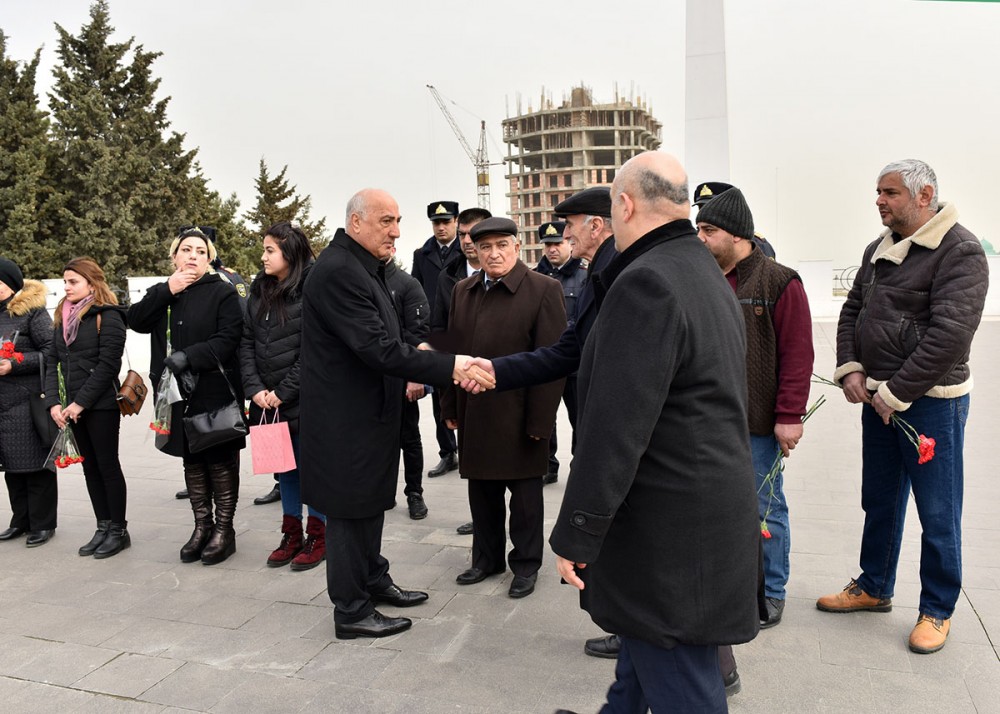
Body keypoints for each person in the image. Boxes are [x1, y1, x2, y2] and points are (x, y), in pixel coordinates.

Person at [549, 152, 760, 712]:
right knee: (641, 664)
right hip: (700, 513)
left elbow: (616, 428)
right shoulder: (698, 269)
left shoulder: (648, 282)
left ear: (624, 204)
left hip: (670, 534)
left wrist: (578, 532)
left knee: (682, 684)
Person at [299, 188, 487, 640]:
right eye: (386, 221)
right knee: (349, 511)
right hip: (346, 421)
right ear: (356, 222)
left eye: (398, 220)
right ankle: (351, 609)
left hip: (371, 414)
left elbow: (393, 337)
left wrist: (424, 351)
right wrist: (451, 365)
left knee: (370, 504)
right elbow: (377, 348)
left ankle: (372, 578)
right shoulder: (340, 272)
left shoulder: (368, 269)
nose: (397, 232)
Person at [817, 159, 989, 655]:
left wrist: (896, 393)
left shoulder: (960, 249)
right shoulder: (878, 248)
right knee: (881, 499)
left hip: (931, 404)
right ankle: (874, 587)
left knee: (938, 512)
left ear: (923, 194)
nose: (879, 200)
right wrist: (850, 366)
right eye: (878, 191)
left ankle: (937, 608)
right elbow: (853, 309)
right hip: (878, 399)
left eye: (889, 192)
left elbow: (950, 337)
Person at [696, 187, 814, 628]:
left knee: (765, 508)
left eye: (709, 230)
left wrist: (789, 417)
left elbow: (798, 355)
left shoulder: (780, 281)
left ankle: (770, 591)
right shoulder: (703, 280)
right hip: (707, 421)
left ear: (738, 235)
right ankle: (728, 587)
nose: (701, 239)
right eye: (699, 230)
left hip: (758, 425)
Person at [441, 217, 566, 599]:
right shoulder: (463, 290)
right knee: (482, 493)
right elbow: (451, 351)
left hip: (520, 413)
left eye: (502, 245)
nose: (494, 254)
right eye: (485, 247)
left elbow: (553, 361)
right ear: (475, 252)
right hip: (475, 411)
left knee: (526, 499)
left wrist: (541, 422)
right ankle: (486, 558)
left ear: (516, 247)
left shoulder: (544, 289)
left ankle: (526, 565)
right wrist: (450, 405)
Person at [127, 227, 245, 565]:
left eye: (200, 251)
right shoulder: (162, 293)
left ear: (209, 259)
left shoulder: (221, 293)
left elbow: (229, 338)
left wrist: (190, 356)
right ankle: (201, 526)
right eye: (186, 250)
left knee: (218, 458)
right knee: (191, 459)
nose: (193, 256)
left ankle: (224, 530)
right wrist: (167, 290)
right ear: (175, 256)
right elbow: (135, 320)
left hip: (212, 390)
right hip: (174, 393)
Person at [240, 222, 326, 570]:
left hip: (303, 400)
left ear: (289, 253)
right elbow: (245, 343)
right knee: (284, 471)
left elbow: (313, 350)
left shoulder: (311, 291)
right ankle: (292, 533)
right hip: (266, 403)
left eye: (269, 250)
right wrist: (255, 389)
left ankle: (319, 534)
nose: (263, 257)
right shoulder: (259, 291)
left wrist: (283, 392)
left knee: (311, 469)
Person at [45, 257, 130, 558]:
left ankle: (118, 530)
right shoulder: (62, 316)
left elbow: (108, 366)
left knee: (107, 466)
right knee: (90, 469)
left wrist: (80, 403)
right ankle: (103, 525)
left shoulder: (108, 316)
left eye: (72, 281)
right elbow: (52, 362)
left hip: (101, 406)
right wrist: (55, 402)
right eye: (64, 281)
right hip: (71, 408)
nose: (66, 287)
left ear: (91, 283)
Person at [431, 206, 490, 536]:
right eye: (463, 234)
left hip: (502, 378)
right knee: (473, 459)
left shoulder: (514, 273)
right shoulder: (448, 275)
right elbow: (440, 330)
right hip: (463, 379)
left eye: (473, 234)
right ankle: (482, 520)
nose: (467, 241)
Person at [0, 258, 57, 547]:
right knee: (11, 467)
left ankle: (43, 524)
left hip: (27, 400)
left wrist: (15, 364)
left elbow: (51, 351)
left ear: (10, 284)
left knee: (35, 465)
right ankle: (20, 521)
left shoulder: (32, 312)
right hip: (1, 405)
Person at [412, 200, 463, 478]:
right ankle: (448, 452)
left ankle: (468, 450)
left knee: (465, 388)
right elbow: (415, 291)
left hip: (462, 327)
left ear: (456, 222)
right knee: (440, 396)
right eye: (436, 222)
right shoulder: (423, 254)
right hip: (435, 330)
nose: (441, 227)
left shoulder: (465, 248)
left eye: (446, 222)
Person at [533, 220, 586, 485]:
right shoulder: (535, 279)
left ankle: (580, 465)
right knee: (545, 416)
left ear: (568, 243)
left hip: (576, 364)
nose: (552, 249)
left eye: (558, 243)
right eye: (548, 245)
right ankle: (547, 465)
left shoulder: (584, 276)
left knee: (580, 417)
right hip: (547, 361)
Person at [384, 247, 431, 520]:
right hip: (372, 380)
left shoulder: (406, 284)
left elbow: (419, 334)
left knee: (409, 439)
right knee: (377, 440)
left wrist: (415, 375)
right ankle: (383, 490)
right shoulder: (363, 280)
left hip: (402, 377)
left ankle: (414, 492)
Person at [693, 181, 776, 258]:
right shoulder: (696, 239)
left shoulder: (755, 245)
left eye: (713, 208)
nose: (705, 212)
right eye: (701, 207)